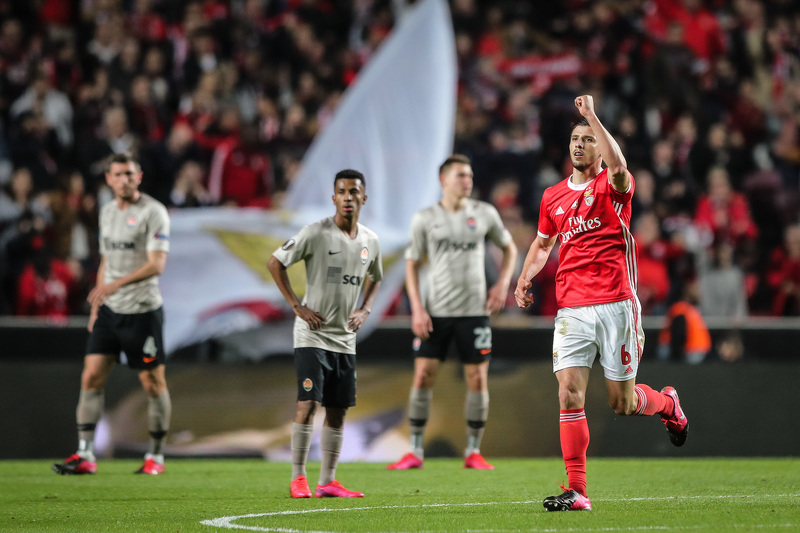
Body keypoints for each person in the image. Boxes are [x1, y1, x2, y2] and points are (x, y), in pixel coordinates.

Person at [514, 95, 688, 512]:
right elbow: (542, 244)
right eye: (575, 138)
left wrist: (592, 114)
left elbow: (622, 169)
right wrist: (524, 276)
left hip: (615, 303)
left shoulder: (612, 187)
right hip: (571, 307)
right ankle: (577, 491)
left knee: (622, 404)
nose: (579, 144)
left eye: (587, 139)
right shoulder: (552, 196)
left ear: (600, 146)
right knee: (569, 393)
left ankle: (667, 404)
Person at [387, 154, 518, 471]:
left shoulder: (484, 213)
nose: (467, 180)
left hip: (474, 312)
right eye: (461, 175)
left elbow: (510, 248)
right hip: (436, 313)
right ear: (443, 180)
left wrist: (502, 285)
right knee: (423, 375)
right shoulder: (426, 218)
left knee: (477, 378)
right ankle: (415, 450)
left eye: (470, 175)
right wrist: (416, 309)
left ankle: (473, 450)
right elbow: (411, 264)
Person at [52, 152, 171, 476]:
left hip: (143, 311)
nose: (124, 180)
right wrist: (97, 304)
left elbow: (157, 264)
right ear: (109, 179)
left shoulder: (154, 212)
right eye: (118, 175)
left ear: (140, 177)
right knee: (90, 376)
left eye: (129, 174)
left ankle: (156, 456)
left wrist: (115, 284)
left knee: (152, 382)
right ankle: (86, 453)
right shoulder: (106, 213)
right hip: (110, 310)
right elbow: (106, 260)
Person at [267, 169, 382, 498]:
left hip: (345, 339)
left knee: (338, 409)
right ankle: (298, 477)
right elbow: (276, 262)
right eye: (342, 191)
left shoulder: (369, 241)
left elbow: (375, 276)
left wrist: (365, 309)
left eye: (354, 191)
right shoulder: (316, 233)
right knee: (308, 403)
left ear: (363, 197)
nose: (348, 197)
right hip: (312, 335)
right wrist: (295, 306)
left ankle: (328, 480)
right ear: (334, 198)